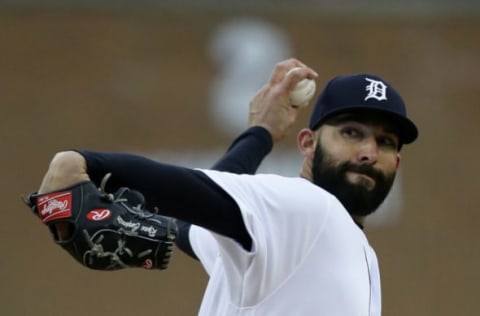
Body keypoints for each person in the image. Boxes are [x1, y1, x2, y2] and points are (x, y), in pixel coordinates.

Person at [33, 59, 418, 315]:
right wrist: (83, 162)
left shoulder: (309, 244)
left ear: (396, 162)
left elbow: (198, 223)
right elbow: (193, 191)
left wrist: (259, 133)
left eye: (385, 142)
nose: (369, 151)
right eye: (351, 132)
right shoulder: (310, 208)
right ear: (309, 144)